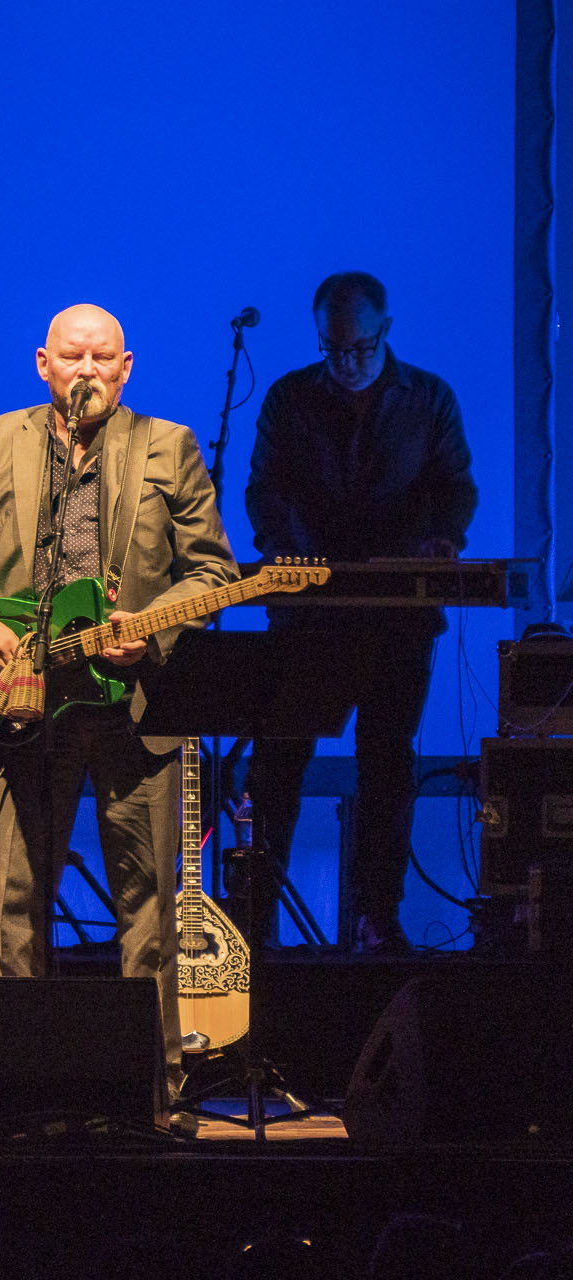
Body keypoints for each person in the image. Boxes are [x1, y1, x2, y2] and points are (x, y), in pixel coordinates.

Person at [0, 304, 239, 1099]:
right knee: (16, 909)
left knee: (149, 913)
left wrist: (153, 635)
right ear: (42, 364)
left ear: (126, 368)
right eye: (72, 357)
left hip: (134, 712)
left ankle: (154, 1094)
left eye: (102, 359)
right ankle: (17, 1091)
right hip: (25, 708)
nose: (87, 371)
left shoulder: (170, 445)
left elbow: (216, 573)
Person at [244, 272, 477, 953]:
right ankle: (258, 916)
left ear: (385, 332)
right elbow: (265, 487)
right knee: (280, 761)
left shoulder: (429, 398)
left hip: (397, 613)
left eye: (357, 348)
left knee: (385, 765)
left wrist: (445, 541)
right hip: (310, 612)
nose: (344, 363)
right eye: (330, 349)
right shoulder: (289, 397)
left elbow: (455, 485)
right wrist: (279, 549)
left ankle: (379, 914)